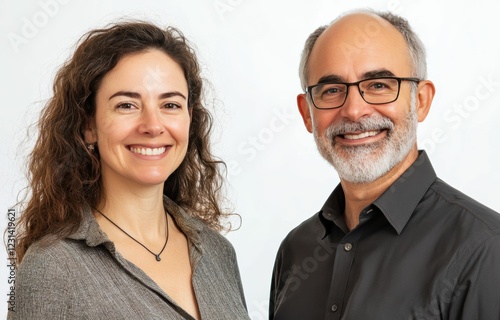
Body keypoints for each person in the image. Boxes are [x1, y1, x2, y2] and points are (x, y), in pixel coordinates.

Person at [9, 21, 250, 320]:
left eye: (171, 105)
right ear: (88, 126)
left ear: (190, 118)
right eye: (126, 105)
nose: (152, 126)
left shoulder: (218, 252)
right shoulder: (54, 267)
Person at [269, 8, 500, 320]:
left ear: (421, 100)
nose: (353, 110)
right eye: (332, 90)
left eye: (379, 85)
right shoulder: (295, 251)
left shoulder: (486, 248)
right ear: (307, 112)